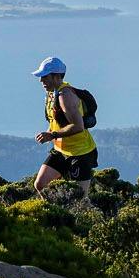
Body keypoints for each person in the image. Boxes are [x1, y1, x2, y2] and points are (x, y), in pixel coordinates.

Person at [31, 56, 98, 195]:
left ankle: (84, 216)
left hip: (81, 153)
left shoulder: (65, 96)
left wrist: (52, 135)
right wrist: (49, 132)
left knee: (79, 198)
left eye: (45, 76)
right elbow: (55, 120)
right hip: (61, 151)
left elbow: (78, 126)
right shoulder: (51, 94)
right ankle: (55, 214)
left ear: (56, 77)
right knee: (40, 184)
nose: (41, 80)